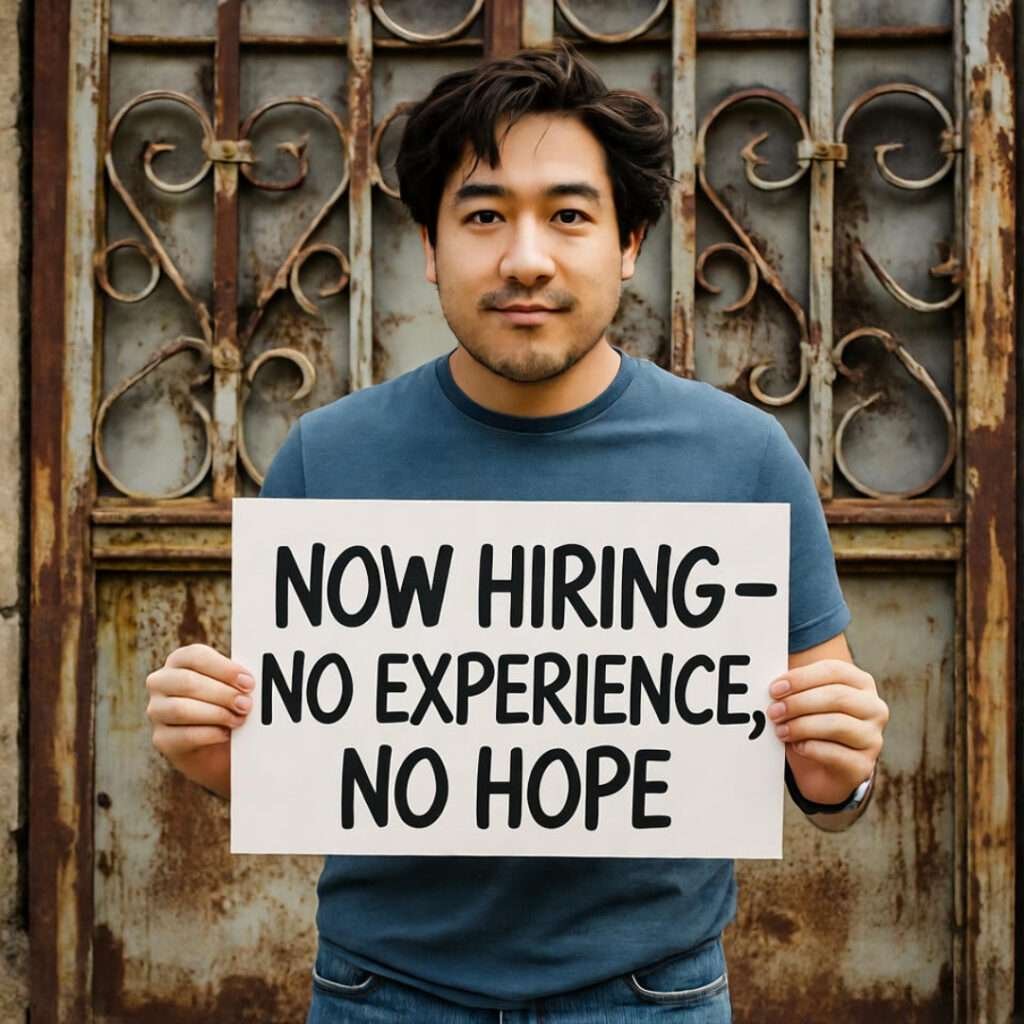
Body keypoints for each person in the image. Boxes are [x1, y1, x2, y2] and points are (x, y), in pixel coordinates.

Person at [145, 42, 889, 1023]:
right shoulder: (327, 460)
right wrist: (213, 753)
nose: (526, 259)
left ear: (629, 243)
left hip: (650, 997)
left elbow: (828, 774)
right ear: (428, 246)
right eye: (484, 215)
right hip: (382, 994)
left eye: (569, 215)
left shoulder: (744, 459)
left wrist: (840, 778)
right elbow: (302, 749)